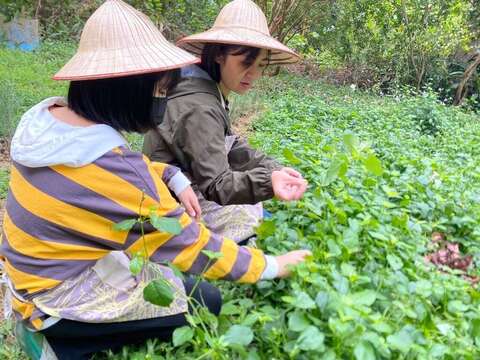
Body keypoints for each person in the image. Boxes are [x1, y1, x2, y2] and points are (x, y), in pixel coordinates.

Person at [0, 1, 311, 359]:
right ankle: (68, 343)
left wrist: (171, 175)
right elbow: (193, 246)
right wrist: (272, 266)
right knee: (204, 300)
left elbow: (106, 175)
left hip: (30, 272)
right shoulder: (125, 173)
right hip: (55, 297)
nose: (162, 102)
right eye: (159, 91)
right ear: (130, 89)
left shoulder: (48, 120)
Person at [143, 0, 308, 243]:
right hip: (166, 197)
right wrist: (268, 182)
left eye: (260, 66)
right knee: (246, 215)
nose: (253, 74)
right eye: (245, 63)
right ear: (219, 54)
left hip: (183, 180)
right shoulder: (200, 105)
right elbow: (217, 185)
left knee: (253, 202)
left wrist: (272, 168)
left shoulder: (207, 86)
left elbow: (228, 143)